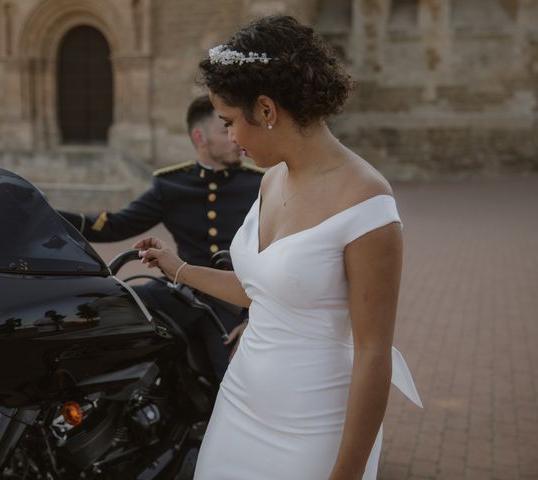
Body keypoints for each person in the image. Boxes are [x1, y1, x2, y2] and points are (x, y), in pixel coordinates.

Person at [133, 15, 422, 480]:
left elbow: (373, 353)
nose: (229, 138)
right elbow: (260, 290)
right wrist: (178, 268)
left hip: (313, 429)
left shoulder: (367, 202)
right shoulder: (271, 180)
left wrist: (345, 473)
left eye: (230, 122)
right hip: (240, 404)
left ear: (266, 110)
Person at [59, 95, 263, 380]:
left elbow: (269, 260)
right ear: (199, 137)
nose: (234, 137)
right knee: (103, 314)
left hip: (229, 304)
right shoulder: (172, 184)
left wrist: (252, 319)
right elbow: (113, 227)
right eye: (224, 130)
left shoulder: (256, 184)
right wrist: (44, 213)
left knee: (231, 378)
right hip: (180, 293)